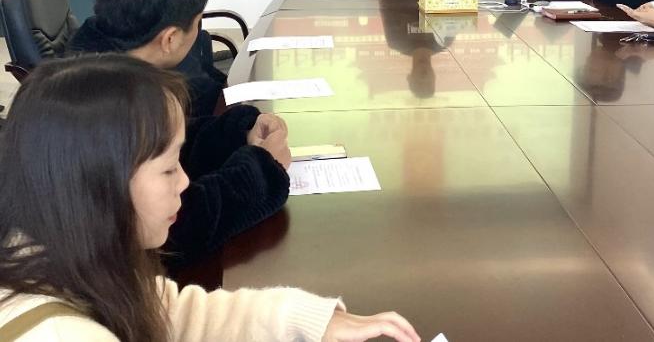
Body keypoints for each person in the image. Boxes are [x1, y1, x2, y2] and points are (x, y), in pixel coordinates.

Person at [0, 54, 419, 342]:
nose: (186, 182)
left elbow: (177, 314)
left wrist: (312, 322)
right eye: (169, 168)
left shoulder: (70, 259)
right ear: (99, 185)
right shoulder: (60, 333)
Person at [67, 0, 292, 269]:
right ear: (170, 38)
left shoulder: (114, 69)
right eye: (198, 22)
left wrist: (239, 132)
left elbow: (171, 145)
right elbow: (176, 229)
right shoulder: (103, 109)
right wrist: (264, 170)